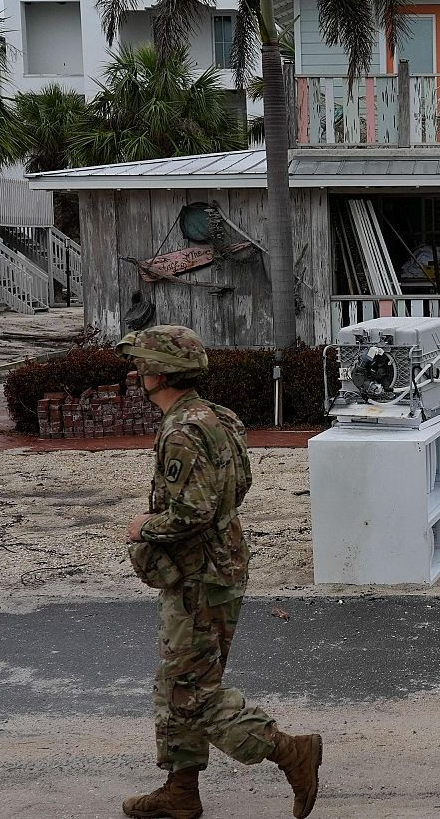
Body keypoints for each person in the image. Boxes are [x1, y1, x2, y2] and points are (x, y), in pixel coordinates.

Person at [117, 325, 322, 819]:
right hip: (215, 567)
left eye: (143, 363)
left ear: (160, 371)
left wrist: (144, 528)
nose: (136, 371)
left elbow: (194, 511)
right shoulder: (218, 418)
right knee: (180, 682)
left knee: (190, 691)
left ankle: (287, 750)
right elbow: (238, 487)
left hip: (198, 576)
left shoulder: (183, 430)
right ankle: (180, 791)